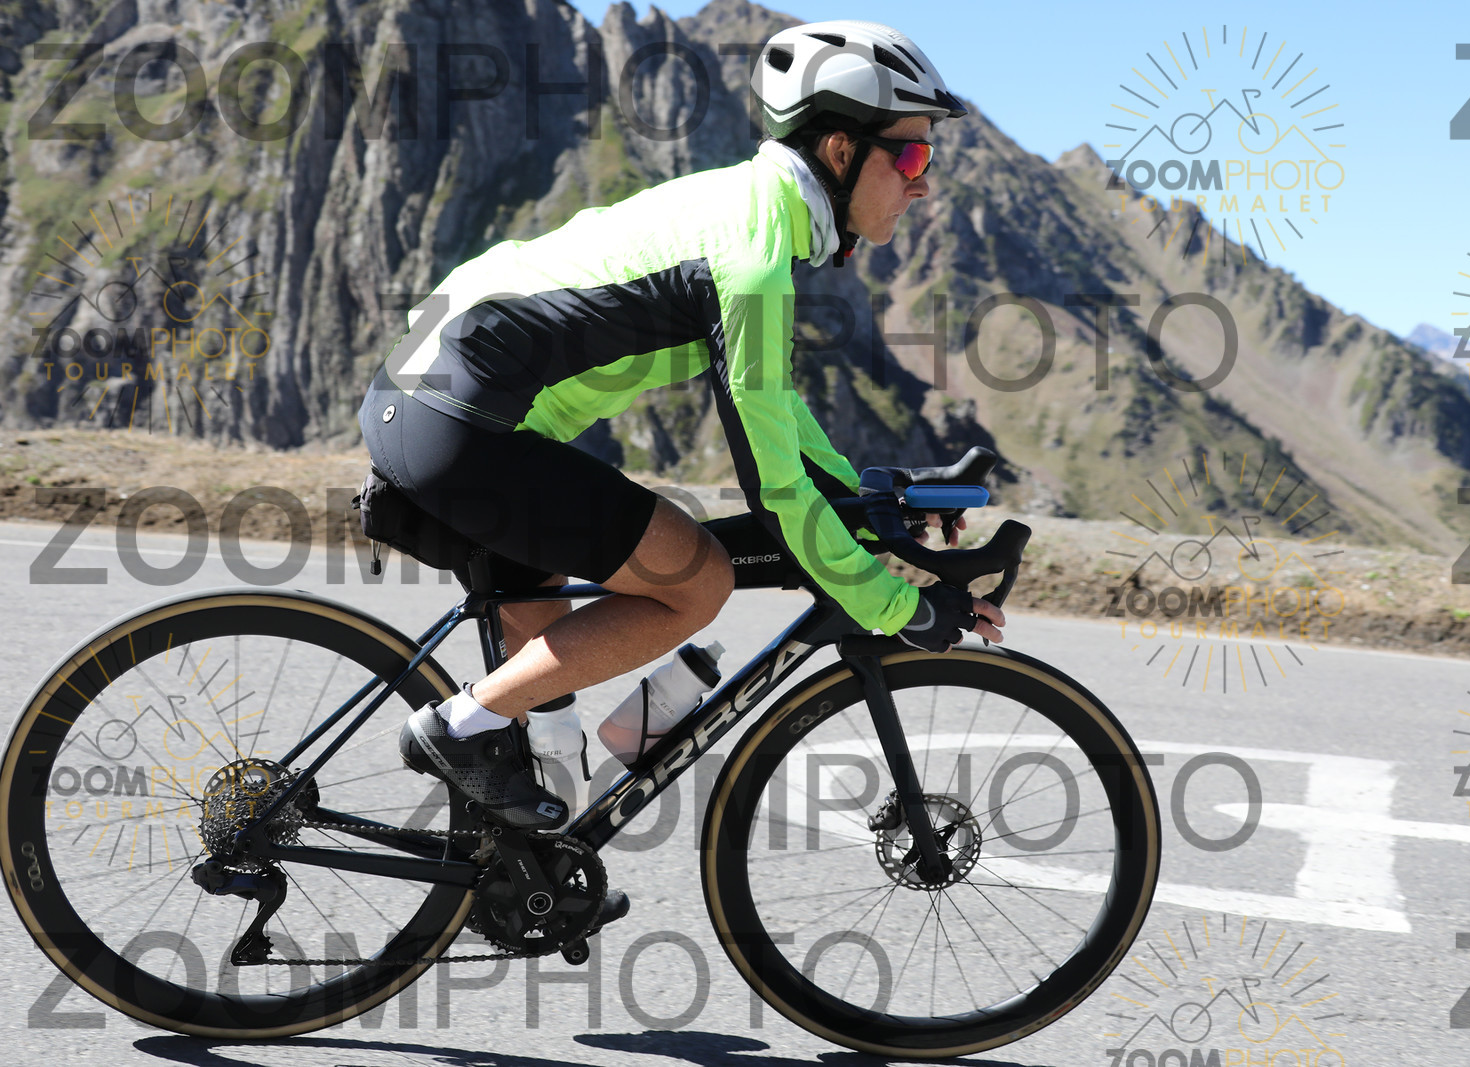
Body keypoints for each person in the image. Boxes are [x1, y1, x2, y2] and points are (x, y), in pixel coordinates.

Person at [364, 20, 1005, 924]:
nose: (922, 180)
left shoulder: (752, 211)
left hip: (441, 405)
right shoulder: (751, 260)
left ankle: (521, 886)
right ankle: (453, 728)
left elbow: (774, 408)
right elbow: (774, 488)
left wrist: (868, 498)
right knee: (697, 578)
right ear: (839, 149)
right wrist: (899, 606)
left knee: (554, 735)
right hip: (462, 424)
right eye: (910, 157)